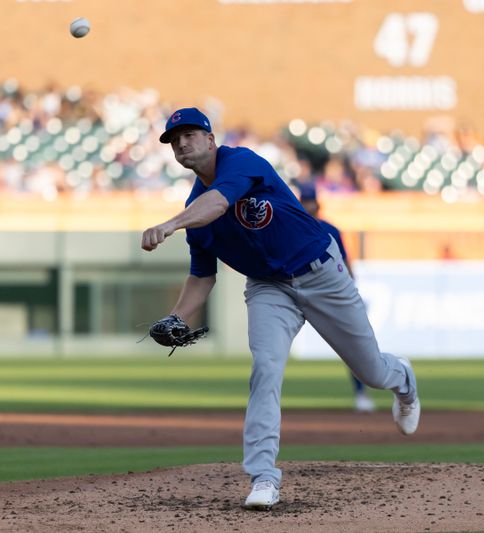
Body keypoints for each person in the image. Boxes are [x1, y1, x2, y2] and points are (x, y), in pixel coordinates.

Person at [141, 107, 420, 511]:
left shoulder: (241, 163)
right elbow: (203, 277)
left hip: (321, 272)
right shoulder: (194, 210)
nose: (182, 143)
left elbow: (219, 203)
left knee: (372, 372)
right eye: (174, 140)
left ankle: (404, 380)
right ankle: (263, 477)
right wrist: (178, 316)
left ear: (209, 139)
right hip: (269, 288)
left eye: (189, 134)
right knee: (266, 369)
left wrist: (169, 225)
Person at [297, 183, 376, 414]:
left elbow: (345, 262)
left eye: (311, 201)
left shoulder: (331, 229)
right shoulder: (294, 229)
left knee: (353, 344)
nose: (309, 205)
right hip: (299, 289)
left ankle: (361, 394)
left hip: (331, 292)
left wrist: (352, 289)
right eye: (305, 201)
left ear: (317, 203)